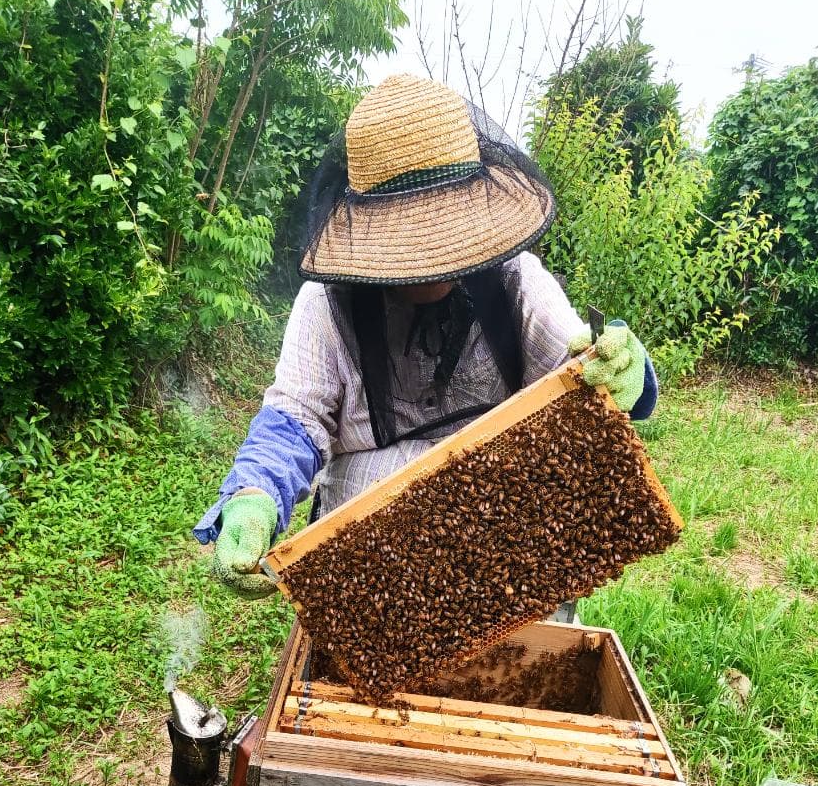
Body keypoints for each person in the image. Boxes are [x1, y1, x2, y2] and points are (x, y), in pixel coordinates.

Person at [193, 74, 658, 598]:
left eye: (442, 230)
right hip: (372, 556)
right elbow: (294, 421)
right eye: (408, 239)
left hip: (506, 546)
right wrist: (256, 495)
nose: (431, 263)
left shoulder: (518, 281)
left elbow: (582, 371)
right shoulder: (327, 304)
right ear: (366, 226)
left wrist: (624, 370)